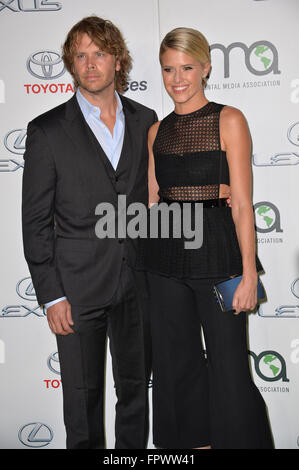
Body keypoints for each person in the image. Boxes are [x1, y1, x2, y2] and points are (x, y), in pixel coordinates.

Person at [22, 16, 157, 449]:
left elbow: (158, 199)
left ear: (118, 61)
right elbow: (36, 220)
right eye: (81, 55)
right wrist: (51, 294)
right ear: (71, 64)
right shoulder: (47, 130)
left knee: (135, 391)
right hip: (76, 289)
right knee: (81, 401)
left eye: (100, 53)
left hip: (137, 281)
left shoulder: (146, 120)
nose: (91, 63)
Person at [138, 27, 274, 449]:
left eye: (187, 68)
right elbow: (152, 201)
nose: (177, 79)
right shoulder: (156, 131)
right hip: (165, 259)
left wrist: (248, 273)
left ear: (206, 68)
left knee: (229, 366)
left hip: (218, 251)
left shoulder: (228, 118)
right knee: (176, 367)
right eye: (168, 69)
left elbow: (242, 204)